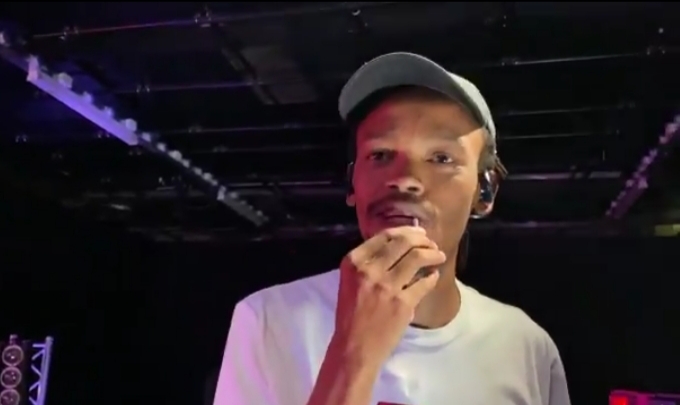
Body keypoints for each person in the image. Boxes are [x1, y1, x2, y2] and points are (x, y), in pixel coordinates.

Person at [212, 52, 571, 405]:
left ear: (485, 191)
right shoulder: (267, 321)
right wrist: (355, 351)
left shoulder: (527, 348)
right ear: (352, 184)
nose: (405, 179)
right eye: (380, 155)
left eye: (441, 158)